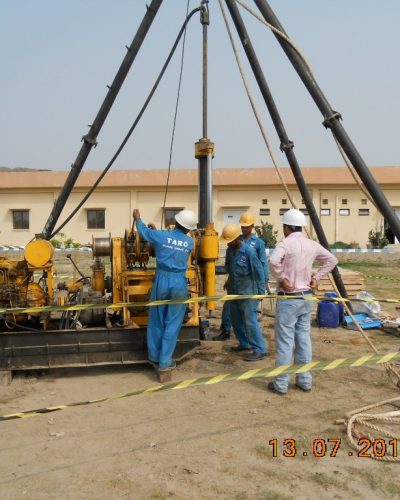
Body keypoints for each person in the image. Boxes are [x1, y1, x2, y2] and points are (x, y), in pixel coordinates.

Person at [268, 208, 338, 395]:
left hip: (289, 298)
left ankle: (281, 384)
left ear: (287, 227)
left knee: (285, 342)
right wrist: (317, 277)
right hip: (306, 297)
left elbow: (273, 261)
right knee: (304, 340)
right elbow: (332, 260)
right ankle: (304, 381)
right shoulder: (311, 244)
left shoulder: (285, 244)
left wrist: (282, 278)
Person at [132, 208, 197, 375]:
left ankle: (154, 357)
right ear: (189, 229)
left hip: (161, 280)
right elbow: (173, 244)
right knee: (173, 322)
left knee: (156, 320)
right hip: (179, 283)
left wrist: (138, 218)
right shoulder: (190, 243)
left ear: (175, 222)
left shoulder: (161, 236)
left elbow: (144, 233)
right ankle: (165, 362)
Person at [213, 212, 269, 341]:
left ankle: (252, 340)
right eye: (242, 226)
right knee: (229, 308)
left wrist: (264, 283)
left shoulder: (258, 243)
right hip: (235, 282)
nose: (244, 229)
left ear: (252, 226)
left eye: (247, 226)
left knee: (248, 313)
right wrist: (229, 279)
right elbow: (233, 264)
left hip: (249, 283)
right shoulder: (235, 240)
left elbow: (262, 265)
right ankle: (225, 330)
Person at [220, 223, 268, 361]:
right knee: (236, 319)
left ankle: (260, 349)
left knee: (250, 321)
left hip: (248, 290)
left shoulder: (249, 252)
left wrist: (260, 292)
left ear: (237, 239)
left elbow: (258, 272)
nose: (228, 244)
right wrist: (228, 280)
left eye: (229, 241)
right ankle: (244, 343)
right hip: (234, 289)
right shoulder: (230, 251)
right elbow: (229, 267)